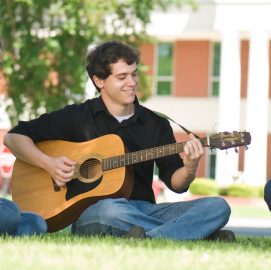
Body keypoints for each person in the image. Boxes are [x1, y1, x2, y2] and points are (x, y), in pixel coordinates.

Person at [4, 40, 235, 241]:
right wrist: (50, 164)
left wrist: (191, 166)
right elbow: (13, 137)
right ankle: (191, 234)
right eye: (122, 77)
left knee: (217, 207)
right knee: (111, 210)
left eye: (134, 74)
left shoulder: (156, 124)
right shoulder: (78, 116)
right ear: (99, 81)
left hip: (145, 211)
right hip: (97, 211)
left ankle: (150, 238)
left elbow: (177, 184)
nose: (132, 82)